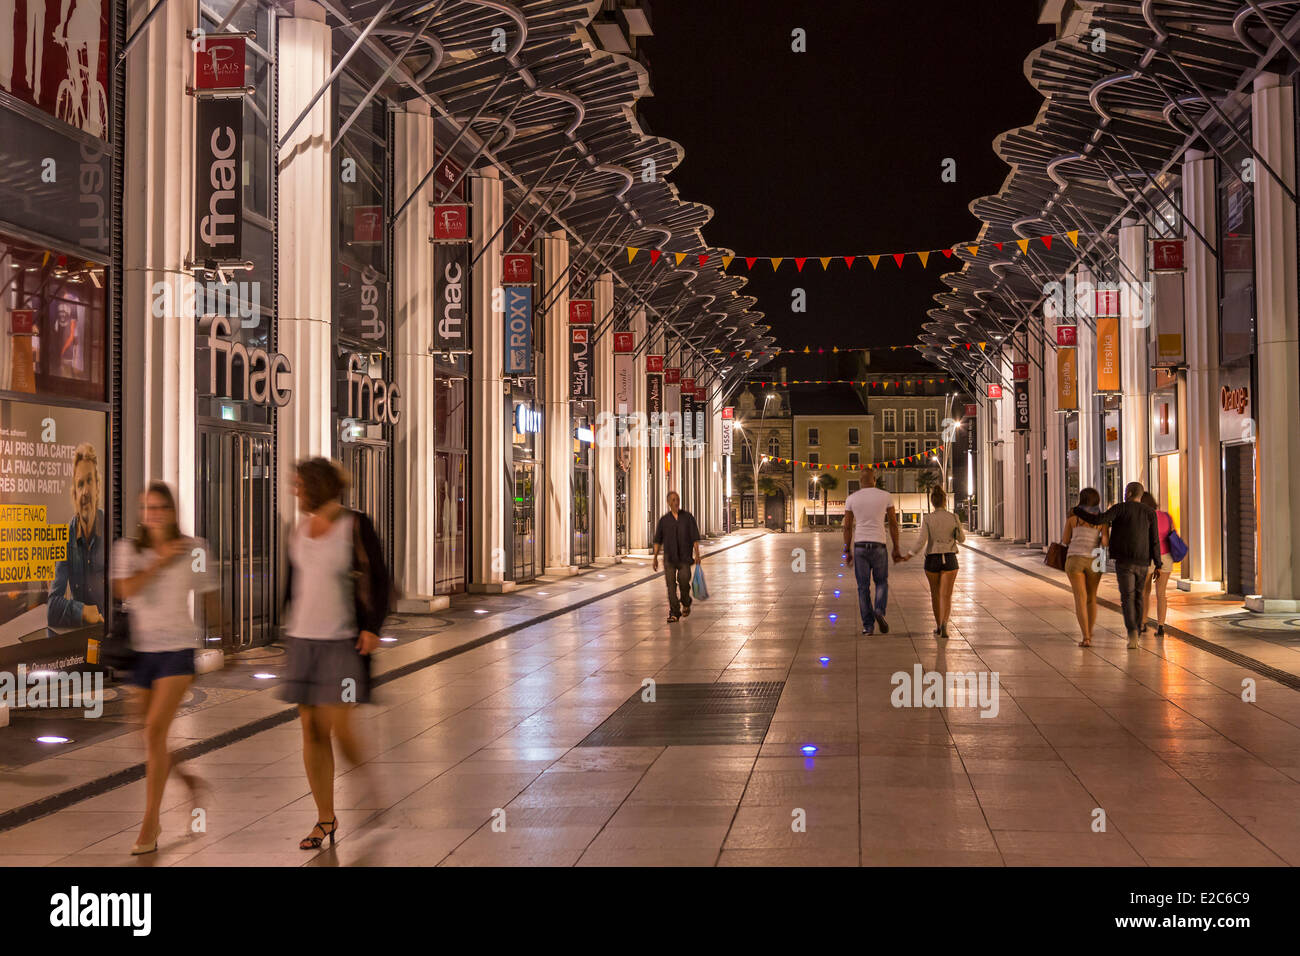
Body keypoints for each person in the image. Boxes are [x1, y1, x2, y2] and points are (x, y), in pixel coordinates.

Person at [282, 458, 389, 852]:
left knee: (340, 728)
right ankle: (325, 819)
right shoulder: (299, 529)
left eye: (298, 484)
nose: (294, 490)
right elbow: (295, 586)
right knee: (311, 730)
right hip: (303, 642)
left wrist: (372, 627)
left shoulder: (354, 525)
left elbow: (379, 578)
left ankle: (368, 788)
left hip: (342, 644)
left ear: (316, 486)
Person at [110, 482, 216, 855]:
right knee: (147, 739)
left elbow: (209, 592)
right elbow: (124, 590)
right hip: (141, 653)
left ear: (172, 511)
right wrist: (158, 561)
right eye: (147, 508)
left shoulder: (195, 548)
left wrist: (227, 642)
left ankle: (151, 822)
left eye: (160, 507)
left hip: (178, 651)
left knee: (155, 732)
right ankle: (191, 785)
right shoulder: (127, 550)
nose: (153, 514)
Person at [1074, 481, 1161, 649]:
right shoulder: (1150, 512)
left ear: (1128, 493)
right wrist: (1157, 563)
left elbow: (1099, 519)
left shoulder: (1119, 508)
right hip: (1143, 561)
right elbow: (1154, 540)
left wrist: (1078, 511)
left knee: (1127, 598)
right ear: (1140, 495)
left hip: (1124, 561)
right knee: (1138, 596)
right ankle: (1137, 626)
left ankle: (1132, 634)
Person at [48, 442, 105, 629]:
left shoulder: (111, 531)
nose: (85, 491)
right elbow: (52, 608)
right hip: (78, 639)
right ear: (74, 495)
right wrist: (83, 611)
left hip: (107, 636)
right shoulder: (66, 536)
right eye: (80, 484)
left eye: (90, 481)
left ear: (98, 487)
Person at [842, 467, 902, 635]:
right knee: (881, 582)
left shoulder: (852, 498)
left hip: (860, 545)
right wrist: (896, 547)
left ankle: (868, 626)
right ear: (874, 480)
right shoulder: (885, 496)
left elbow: (847, 527)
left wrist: (847, 550)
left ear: (860, 482)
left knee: (863, 587)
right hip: (879, 545)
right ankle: (879, 611)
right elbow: (893, 523)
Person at [904, 487, 965, 639]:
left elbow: (922, 540)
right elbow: (962, 539)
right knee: (947, 595)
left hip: (932, 558)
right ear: (945, 500)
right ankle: (945, 623)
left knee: (935, 594)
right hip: (950, 557)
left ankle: (938, 626)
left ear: (932, 502)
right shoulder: (953, 517)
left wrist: (910, 554)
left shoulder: (928, 518)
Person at [1061, 487, 1109, 647]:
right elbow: (1105, 543)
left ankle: (1086, 637)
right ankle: (1090, 631)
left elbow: (1065, 540)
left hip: (1075, 558)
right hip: (1096, 559)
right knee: (1092, 597)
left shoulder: (1073, 517)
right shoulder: (1102, 519)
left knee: (1080, 599)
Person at [652, 490, 701, 623]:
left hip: (684, 558)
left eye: (677, 499)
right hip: (669, 558)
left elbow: (695, 538)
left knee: (684, 581)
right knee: (671, 586)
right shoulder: (664, 520)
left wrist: (697, 554)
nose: (676, 502)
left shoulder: (688, 518)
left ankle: (686, 601)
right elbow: (657, 540)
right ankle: (674, 612)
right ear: (668, 503)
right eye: (673, 500)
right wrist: (655, 558)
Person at [1140, 491, 1176, 636]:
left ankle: (1143, 623)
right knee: (1161, 593)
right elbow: (1172, 534)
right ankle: (1161, 626)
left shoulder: (1143, 518)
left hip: (1148, 558)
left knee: (1145, 592)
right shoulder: (1166, 516)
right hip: (1166, 557)